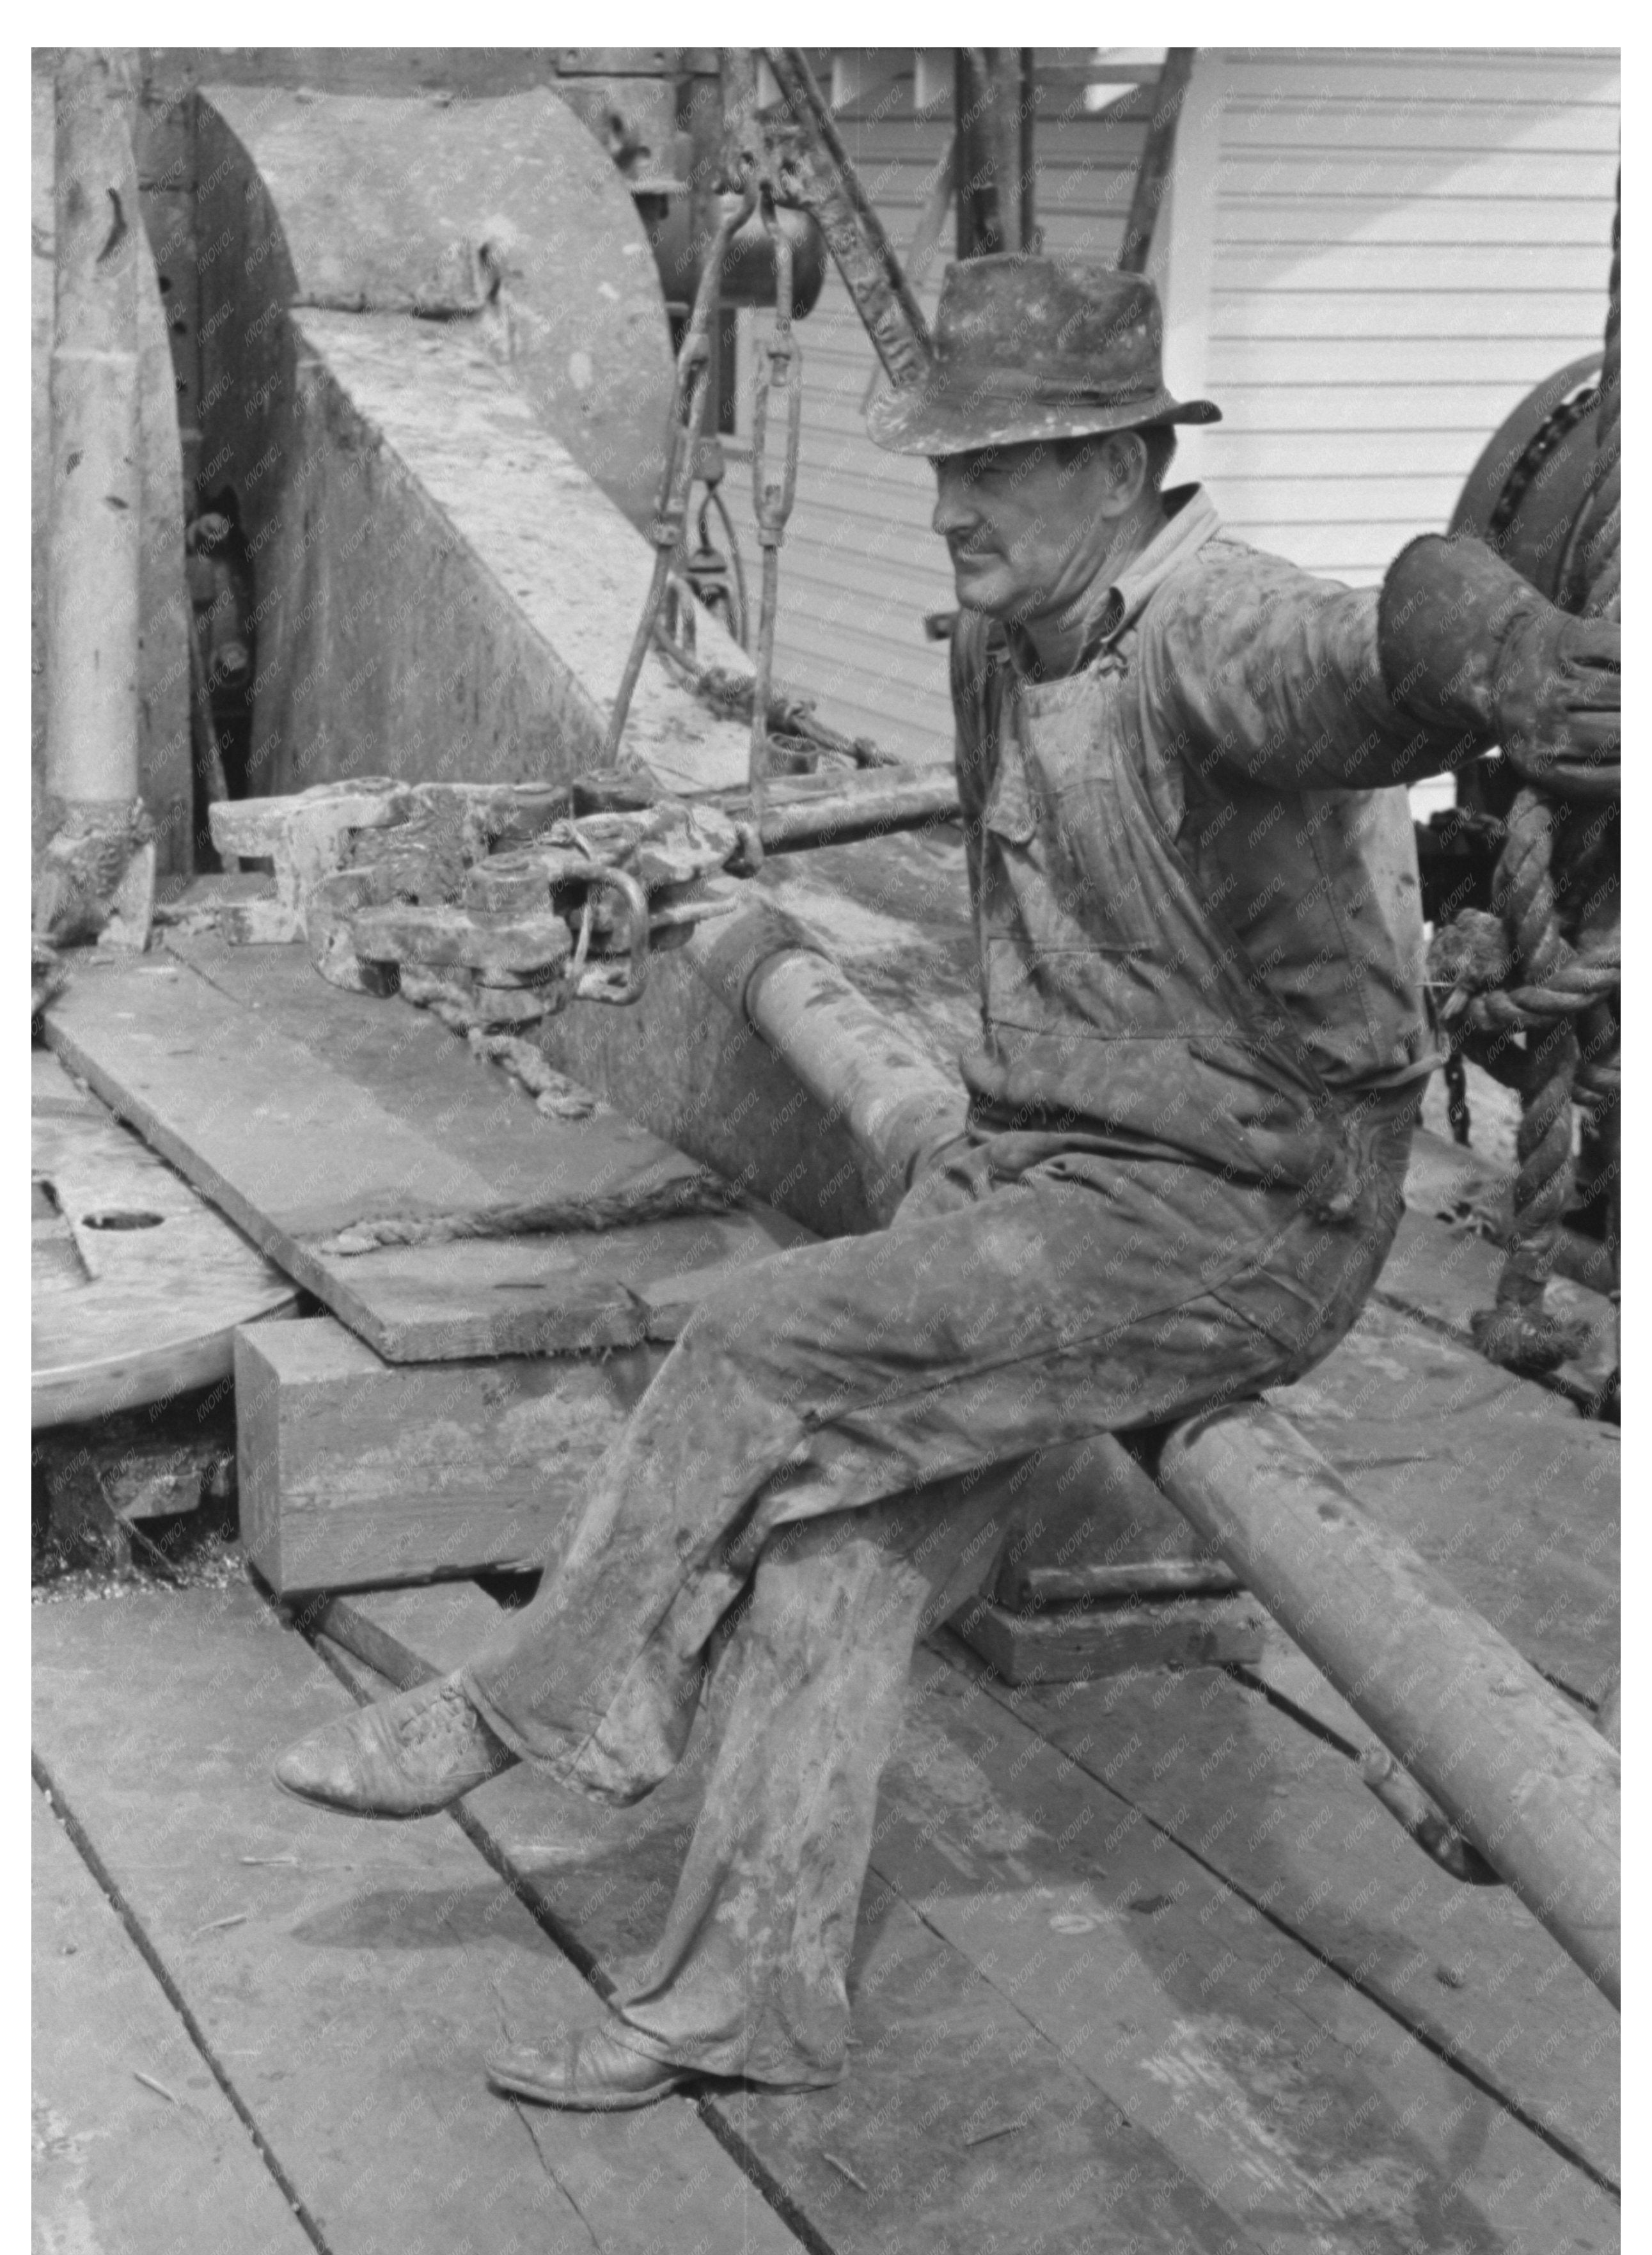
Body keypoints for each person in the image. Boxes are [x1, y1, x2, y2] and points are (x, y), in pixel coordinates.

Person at [274, 258, 1619, 2110]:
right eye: (943, 467)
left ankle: (546, 1696)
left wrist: (1508, 652)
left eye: (994, 468)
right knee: (837, 1552)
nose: (947, 509)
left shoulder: (1214, 632)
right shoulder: (1011, 635)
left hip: (1240, 1218)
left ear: (1124, 465)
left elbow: (1381, 642)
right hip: (1053, 1174)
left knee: (758, 1341)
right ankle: (745, 1999)